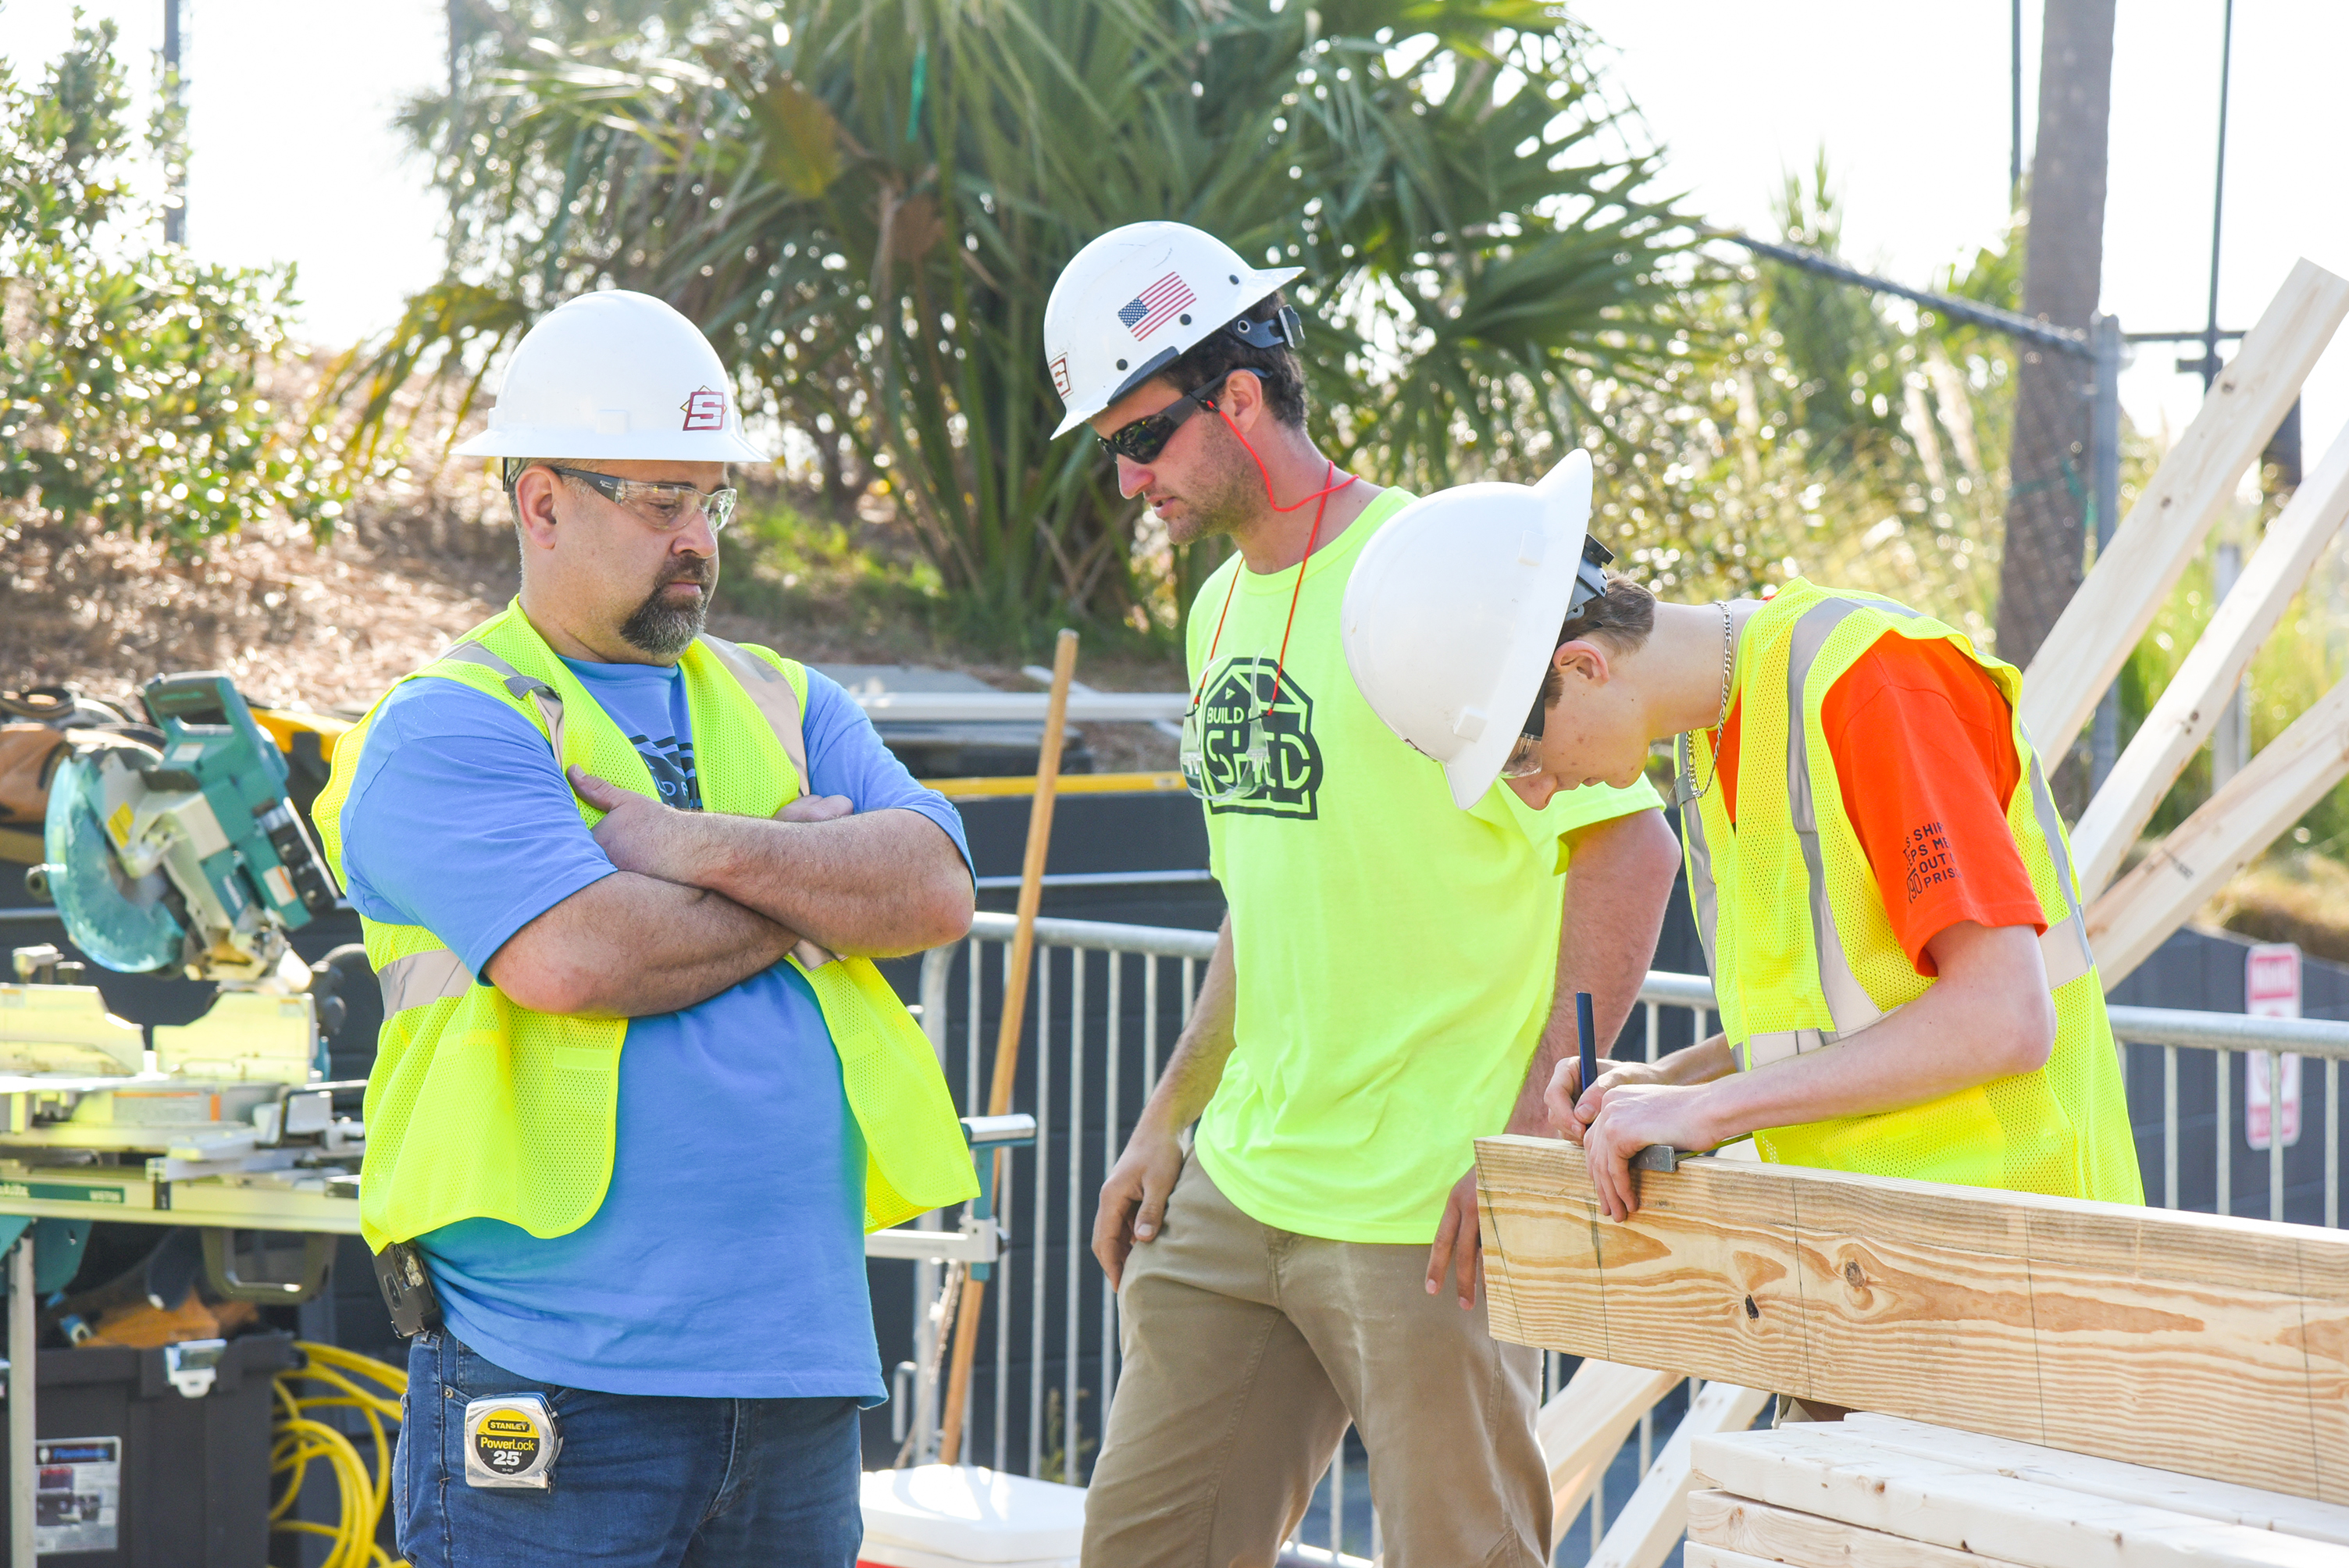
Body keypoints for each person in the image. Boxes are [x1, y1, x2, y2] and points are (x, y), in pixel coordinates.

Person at [1045, 223, 1682, 1566]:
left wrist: (1518, 1134)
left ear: (1235, 395)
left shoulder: (1437, 569)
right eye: (1107, 448)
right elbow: (1264, 890)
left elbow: (1625, 845)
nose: (1125, 477)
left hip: (1422, 1205)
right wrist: (1172, 1111)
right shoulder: (1215, 607)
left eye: (1139, 438)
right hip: (1242, 1182)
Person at [312, 290, 981, 1567]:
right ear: (542, 500)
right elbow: (581, 956)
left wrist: (691, 846)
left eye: (711, 500)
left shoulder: (788, 696)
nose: (698, 540)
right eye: (660, 500)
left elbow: (930, 890)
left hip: (794, 1379)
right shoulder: (454, 722)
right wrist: (806, 876)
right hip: (555, 1380)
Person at [1339, 454, 2145, 1228]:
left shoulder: (1869, 682)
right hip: (1869, 1262)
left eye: (1522, 755)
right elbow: (1845, 1016)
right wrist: (1669, 1078)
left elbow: (2000, 1015)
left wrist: (1703, 1107)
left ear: (1582, 667)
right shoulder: (1713, 736)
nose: (1539, 789)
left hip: (2021, 1253)